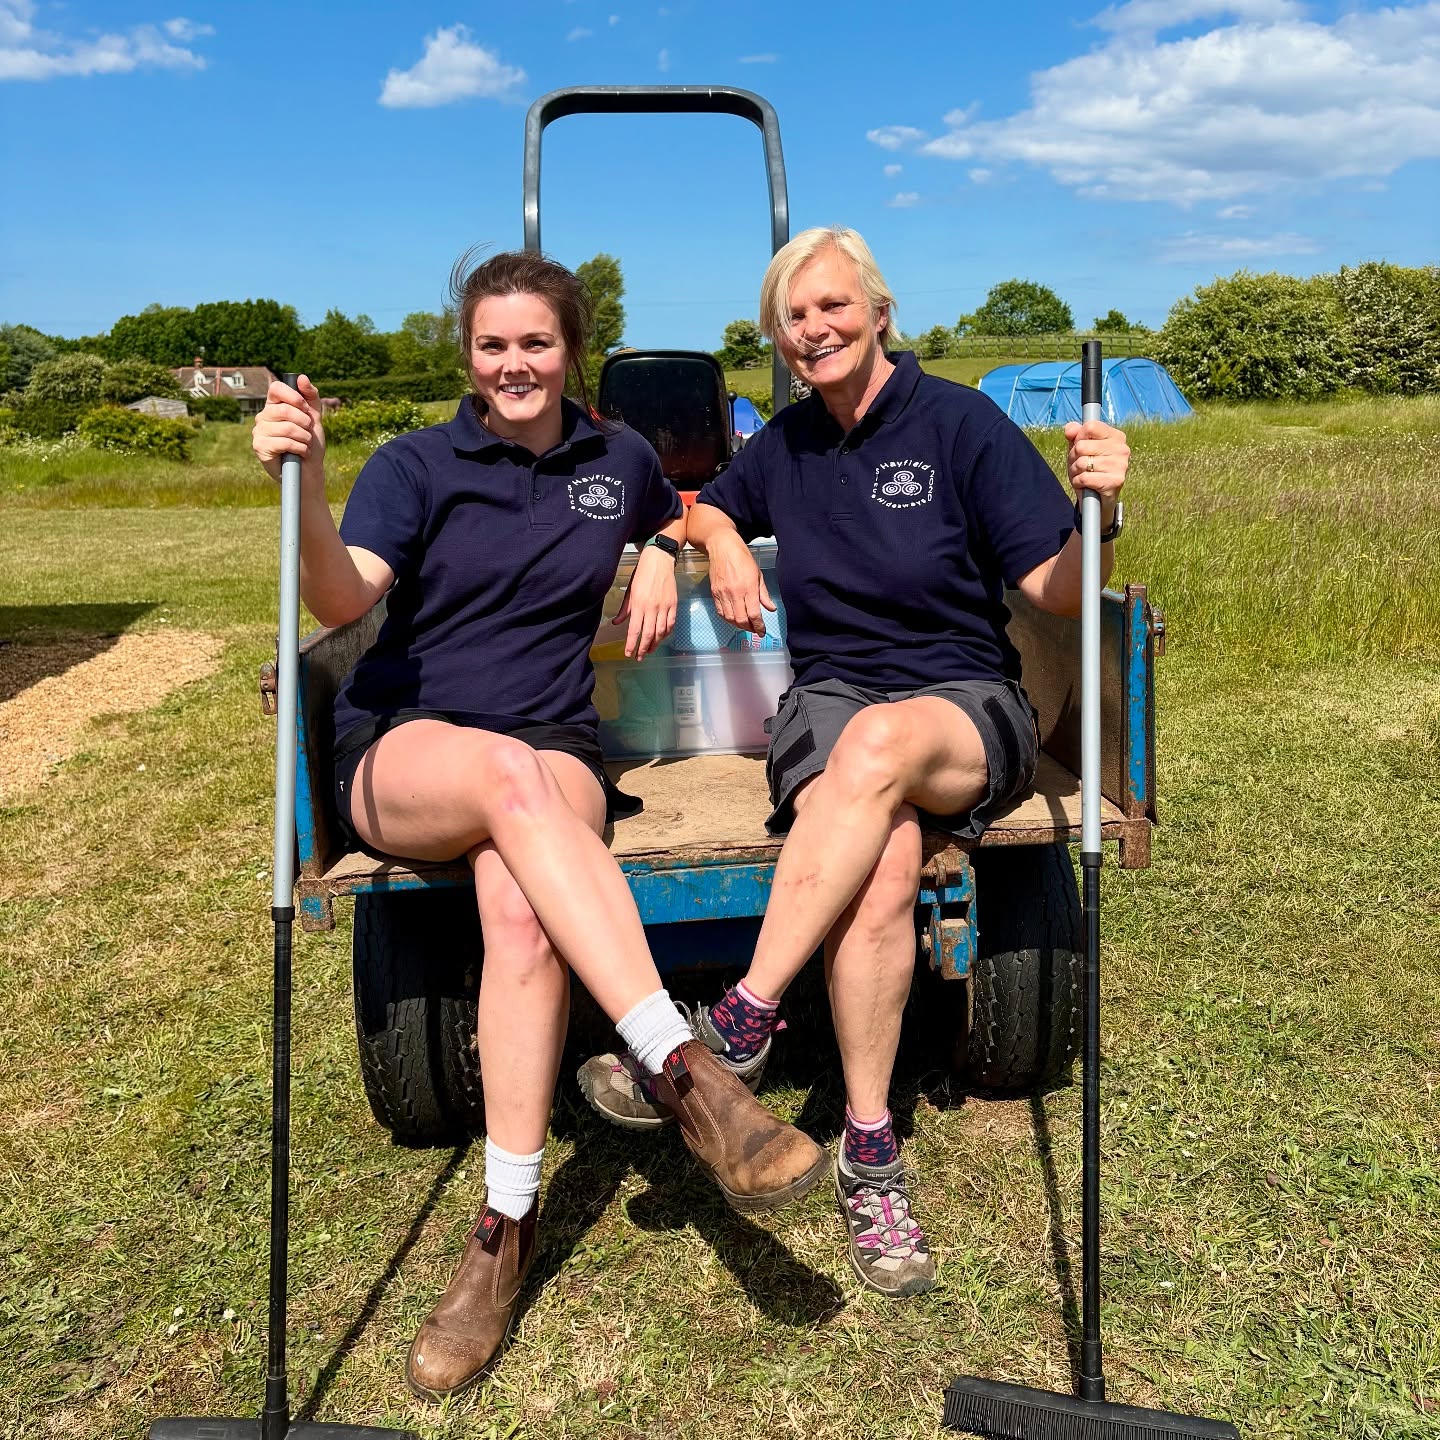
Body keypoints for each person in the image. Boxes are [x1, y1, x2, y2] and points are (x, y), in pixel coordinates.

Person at [251, 250, 827, 1401]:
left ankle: (500, 1233)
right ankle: (684, 1066)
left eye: (537, 343)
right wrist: (308, 485)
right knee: (509, 781)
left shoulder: (615, 455)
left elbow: (695, 504)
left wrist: (682, 544)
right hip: (411, 748)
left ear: (574, 350)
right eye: (491, 345)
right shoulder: (416, 466)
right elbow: (338, 598)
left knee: (520, 910)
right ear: (466, 355)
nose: (514, 364)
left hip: (561, 747)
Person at [580, 226, 1129, 1299]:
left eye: (833, 307)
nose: (813, 330)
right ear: (776, 339)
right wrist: (703, 539)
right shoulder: (783, 445)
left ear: (878, 310)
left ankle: (735, 1027)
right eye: (793, 316)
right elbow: (704, 504)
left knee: (881, 746)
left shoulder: (961, 423)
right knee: (880, 863)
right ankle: (871, 1151)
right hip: (829, 706)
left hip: (964, 704)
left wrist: (1104, 518)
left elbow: (1059, 590)